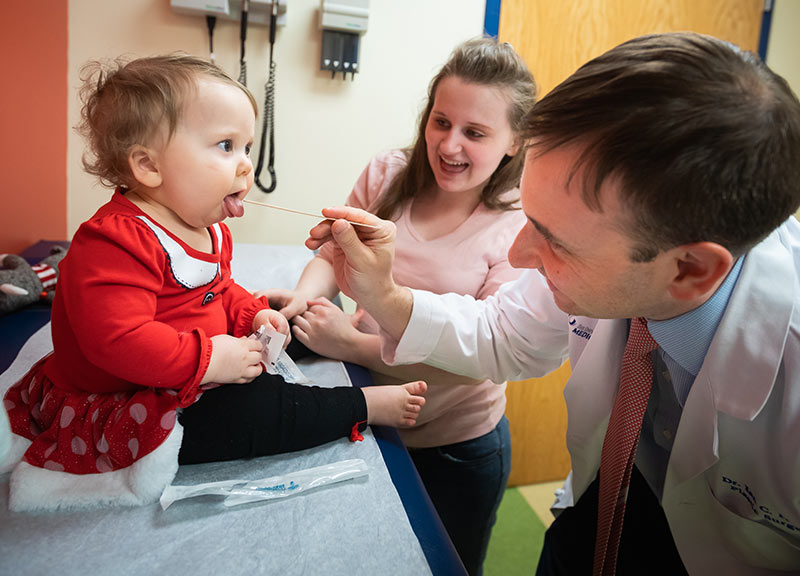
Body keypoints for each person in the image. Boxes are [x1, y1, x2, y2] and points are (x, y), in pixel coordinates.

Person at [304, 32, 800, 575]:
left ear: (690, 270)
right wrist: (384, 294)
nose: (518, 253)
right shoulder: (615, 257)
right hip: (597, 509)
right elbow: (501, 335)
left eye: (554, 239)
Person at [1, 54, 426, 512]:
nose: (245, 165)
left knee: (282, 321)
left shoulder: (208, 226)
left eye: (246, 147)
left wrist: (252, 314)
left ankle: (314, 338)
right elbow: (117, 341)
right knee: (256, 413)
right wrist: (209, 360)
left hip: (186, 358)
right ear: (148, 166)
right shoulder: (113, 242)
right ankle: (357, 406)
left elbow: (219, 290)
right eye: (226, 145)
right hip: (127, 396)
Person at [255, 38, 536, 574]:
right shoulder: (387, 173)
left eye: (475, 133)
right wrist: (306, 299)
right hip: (368, 411)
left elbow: (475, 358)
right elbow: (334, 254)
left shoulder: (518, 228)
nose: (449, 145)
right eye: (441, 121)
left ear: (514, 142)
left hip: (456, 444)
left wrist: (350, 343)